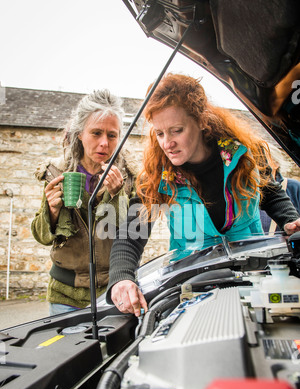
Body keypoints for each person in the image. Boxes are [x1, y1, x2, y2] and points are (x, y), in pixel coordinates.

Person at [107, 73, 300, 317]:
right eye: (160, 133)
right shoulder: (158, 176)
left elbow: (270, 193)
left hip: (254, 282)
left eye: (176, 130)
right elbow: (131, 234)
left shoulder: (246, 156)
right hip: (191, 293)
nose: (167, 144)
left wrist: (290, 221)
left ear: (200, 121)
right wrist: (121, 278)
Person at [31, 89, 137, 315]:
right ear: (80, 133)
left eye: (112, 135)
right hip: (65, 297)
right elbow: (41, 237)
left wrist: (117, 194)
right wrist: (51, 211)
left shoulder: (128, 176)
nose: (104, 144)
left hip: (113, 293)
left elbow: (132, 234)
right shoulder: (56, 172)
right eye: (96, 133)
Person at [260, 148, 300, 233]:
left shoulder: (294, 186)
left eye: (265, 159)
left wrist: (291, 222)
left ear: (276, 163)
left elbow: (271, 195)